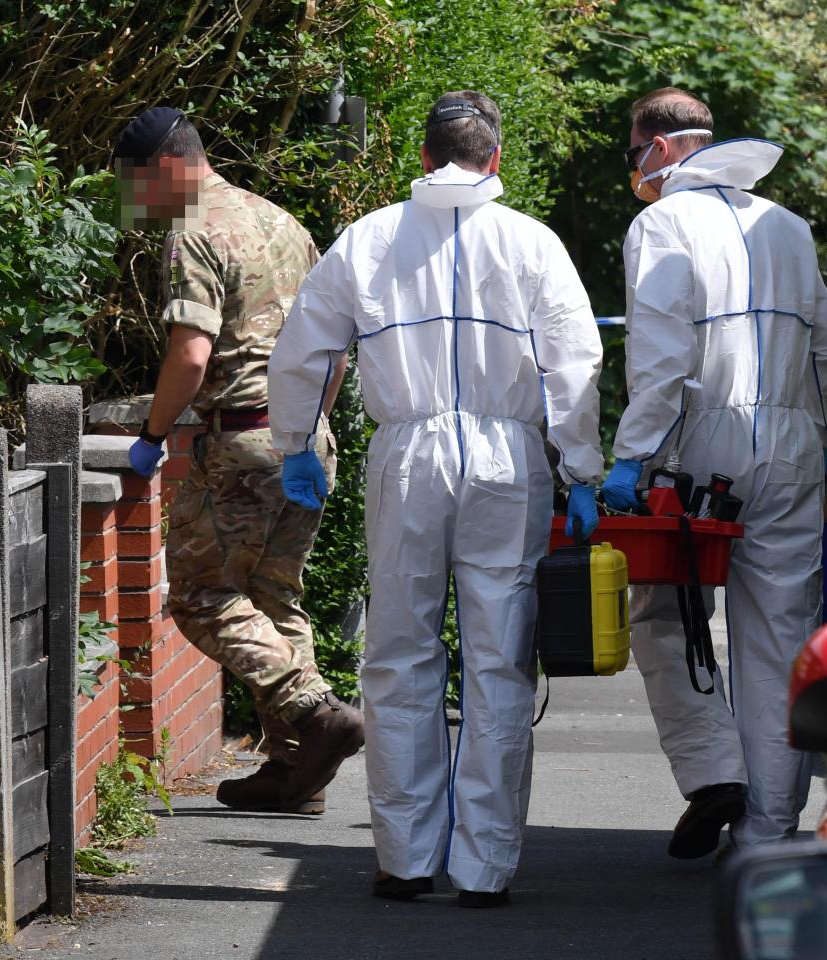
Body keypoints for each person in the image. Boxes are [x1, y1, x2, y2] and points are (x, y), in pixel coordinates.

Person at [268, 91, 604, 906]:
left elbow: (304, 347)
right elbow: (572, 358)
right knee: (498, 657)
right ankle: (484, 867)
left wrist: (294, 444)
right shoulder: (532, 241)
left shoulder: (371, 238)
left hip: (408, 453)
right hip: (507, 456)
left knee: (398, 653)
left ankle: (406, 857)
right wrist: (583, 467)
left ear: (421, 157)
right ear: (495, 159)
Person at [601, 87, 827, 857]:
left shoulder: (662, 222)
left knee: (660, 611)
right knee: (777, 639)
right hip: (788, 440)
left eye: (633, 151)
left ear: (661, 146)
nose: (634, 168)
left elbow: (663, 356)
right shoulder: (785, 225)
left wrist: (629, 457)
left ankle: (713, 767)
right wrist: (815, 433)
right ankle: (766, 836)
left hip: (697, 446)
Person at [115, 107, 363, 816]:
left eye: (136, 183)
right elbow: (333, 344)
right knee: (274, 594)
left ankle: (312, 712)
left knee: (200, 596)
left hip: (240, 443)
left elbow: (191, 354)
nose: (138, 202)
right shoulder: (281, 222)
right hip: (304, 441)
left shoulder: (194, 230)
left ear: (166, 166)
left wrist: (156, 433)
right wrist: (309, 426)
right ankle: (295, 772)